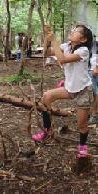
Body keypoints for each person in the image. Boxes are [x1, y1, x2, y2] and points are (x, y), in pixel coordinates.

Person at [32, 25, 93, 159]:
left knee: (82, 124)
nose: (72, 31)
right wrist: (47, 39)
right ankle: (47, 131)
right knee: (46, 97)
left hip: (83, 90)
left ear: (83, 39)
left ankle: (82, 148)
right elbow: (47, 53)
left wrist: (54, 39)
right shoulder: (66, 46)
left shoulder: (83, 51)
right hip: (69, 88)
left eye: (76, 31)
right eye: (73, 29)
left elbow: (62, 59)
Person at [88, 35, 98, 125]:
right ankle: (92, 112)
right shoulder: (91, 43)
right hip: (91, 69)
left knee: (96, 93)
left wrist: (97, 67)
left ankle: (94, 114)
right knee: (93, 93)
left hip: (94, 70)